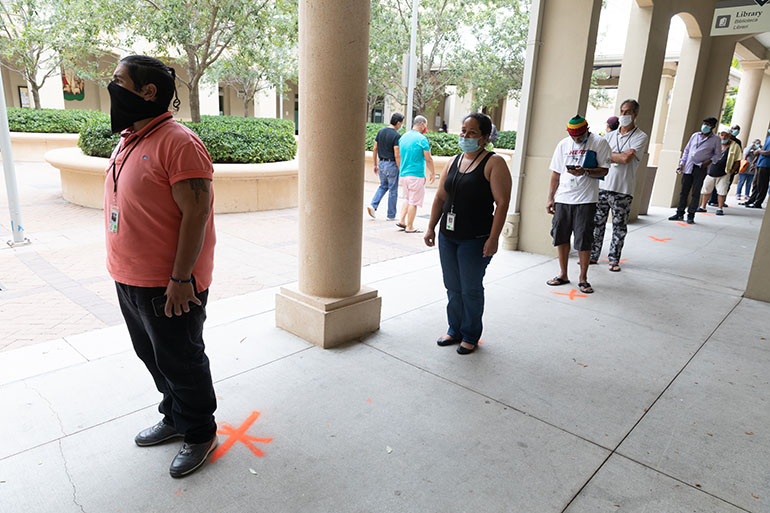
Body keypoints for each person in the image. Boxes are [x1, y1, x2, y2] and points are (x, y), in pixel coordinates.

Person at [104, 55, 218, 478]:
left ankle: (200, 431)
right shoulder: (130, 137)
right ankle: (175, 416)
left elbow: (197, 214)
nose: (111, 87)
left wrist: (181, 278)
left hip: (169, 284)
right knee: (152, 355)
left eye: (118, 81)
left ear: (147, 92)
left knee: (181, 358)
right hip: (130, 276)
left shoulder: (179, 142)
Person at [424, 113, 511, 355]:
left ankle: (471, 333)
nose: (465, 136)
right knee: (452, 286)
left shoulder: (494, 163)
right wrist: (431, 226)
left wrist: (493, 238)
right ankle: (455, 329)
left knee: (470, 288)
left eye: (472, 132)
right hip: (448, 237)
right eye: (463, 130)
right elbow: (441, 197)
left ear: (484, 138)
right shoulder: (453, 161)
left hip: (475, 239)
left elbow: (502, 203)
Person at [546, 115, 611, 294]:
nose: (577, 140)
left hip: (586, 199)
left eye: (580, 136)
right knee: (561, 236)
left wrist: (586, 171)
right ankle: (563, 274)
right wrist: (550, 198)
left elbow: (605, 169)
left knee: (583, 238)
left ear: (586, 130)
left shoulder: (599, 143)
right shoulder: (563, 145)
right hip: (563, 198)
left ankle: (583, 278)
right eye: (573, 137)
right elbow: (556, 174)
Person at [590, 99, 648, 272]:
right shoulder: (609, 135)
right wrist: (618, 155)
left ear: (635, 114)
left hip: (623, 189)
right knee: (597, 224)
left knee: (619, 226)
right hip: (602, 187)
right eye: (622, 111)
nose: (624, 115)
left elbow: (626, 159)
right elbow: (600, 156)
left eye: (628, 112)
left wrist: (611, 155)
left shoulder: (640, 136)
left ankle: (614, 259)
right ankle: (593, 254)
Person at [668, 116, 721, 224]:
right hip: (688, 166)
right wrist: (681, 163)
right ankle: (679, 213)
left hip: (700, 168)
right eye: (704, 123)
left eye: (708, 124)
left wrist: (709, 161)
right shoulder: (695, 135)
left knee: (695, 193)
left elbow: (718, 155)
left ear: (713, 126)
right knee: (683, 192)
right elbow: (687, 150)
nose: (705, 126)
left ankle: (691, 215)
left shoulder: (715, 139)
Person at [397, 115, 435, 233]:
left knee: (407, 199)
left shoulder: (403, 137)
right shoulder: (422, 139)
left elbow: (398, 155)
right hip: (416, 175)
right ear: (422, 124)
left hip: (404, 175)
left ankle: (402, 220)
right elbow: (428, 158)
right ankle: (410, 226)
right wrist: (433, 173)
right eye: (426, 125)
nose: (426, 127)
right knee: (413, 202)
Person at [367, 113, 403, 221]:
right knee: (393, 189)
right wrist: (400, 167)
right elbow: (397, 153)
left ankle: (373, 205)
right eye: (401, 123)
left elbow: (375, 148)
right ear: (398, 123)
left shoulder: (381, 132)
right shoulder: (396, 136)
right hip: (391, 164)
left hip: (381, 163)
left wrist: (374, 164)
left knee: (383, 186)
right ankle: (391, 215)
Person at [699, 125, 741, 216]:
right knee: (706, 189)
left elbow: (738, 160)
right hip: (711, 171)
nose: (724, 137)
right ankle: (703, 206)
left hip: (724, 172)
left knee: (722, 191)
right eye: (722, 135)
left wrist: (732, 170)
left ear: (729, 136)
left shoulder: (735, 146)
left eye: (726, 135)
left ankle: (720, 208)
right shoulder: (714, 143)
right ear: (719, 135)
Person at [708, 124, 742, 206]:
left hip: (728, 168)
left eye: (737, 129)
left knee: (725, 186)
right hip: (715, 168)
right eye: (734, 129)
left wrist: (734, 169)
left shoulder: (737, 143)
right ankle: (712, 200)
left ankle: (721, 203)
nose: (724, 137)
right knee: (713, 184)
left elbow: (738, 156)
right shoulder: (717, 141)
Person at [745, 128, 770, 208]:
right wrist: (754, 162)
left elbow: (768, 152)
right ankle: (752, 199)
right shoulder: (768, 138)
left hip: (766, 164)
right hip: (760, 163)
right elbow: (762, 151)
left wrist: (759, 151)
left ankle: (758, 202)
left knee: (762, 184)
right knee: (756, 183)